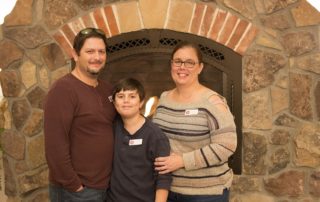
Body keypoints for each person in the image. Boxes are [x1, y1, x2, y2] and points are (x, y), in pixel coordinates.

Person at [153, 41, 237, 202]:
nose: (182, 67)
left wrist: (182, 161)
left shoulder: (212, 102)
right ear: (171, 65)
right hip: (167, 189)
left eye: (190, 63)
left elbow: (227, 146)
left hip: (206, 193)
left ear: (200, 67)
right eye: (177, 61)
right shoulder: (164, 98)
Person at [44, 27, 116, 202]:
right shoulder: (63, 89)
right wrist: (74, 185)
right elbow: (55, 144)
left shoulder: (107, 89)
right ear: (75, 55)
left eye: (101, 51)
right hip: (77, 191)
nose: (97, 57)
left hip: (105, 186)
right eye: (90, 51)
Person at [106, 78, 172, 202]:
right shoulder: (111, 129)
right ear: (114, 103)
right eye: (120, 96)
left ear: (141, 102)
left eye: (132, 96)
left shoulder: (155, 135)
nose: (126, 101)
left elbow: (163, 177)